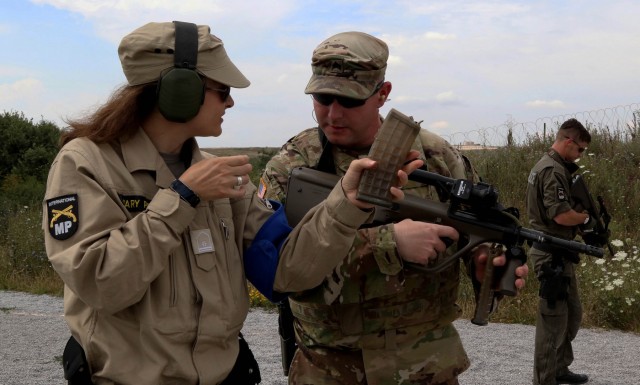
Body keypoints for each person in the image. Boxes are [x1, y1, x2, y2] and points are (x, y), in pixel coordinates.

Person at [42, 22, 422, 385]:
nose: (232, 101)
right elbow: (101, 284)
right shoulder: (86, 163)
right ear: (179, 89)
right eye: (222, 89)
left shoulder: (218, 174)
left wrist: (347, 204)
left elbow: (285, 270)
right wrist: (182, 198)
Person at [259, 31, 529, 385]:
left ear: (382, 94)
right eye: (323, 98)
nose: (333, 114)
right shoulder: (292, 165)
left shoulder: (437, 157)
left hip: (425, 366)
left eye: (350, 100)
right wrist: (387, 242)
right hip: (327, 367)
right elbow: (278, 266)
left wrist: (484, 269)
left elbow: (474, 236)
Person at [526, 118, 592, 385]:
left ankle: (560, 368)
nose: (581, 155)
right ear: (568, 142)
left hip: (560, 253)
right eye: (580, 150)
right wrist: (584, 217)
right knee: (553, 321)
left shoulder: (553, 166)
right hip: (550, 253)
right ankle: (545, 378)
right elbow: (562, 216)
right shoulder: (552, 170)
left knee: (571, 314)